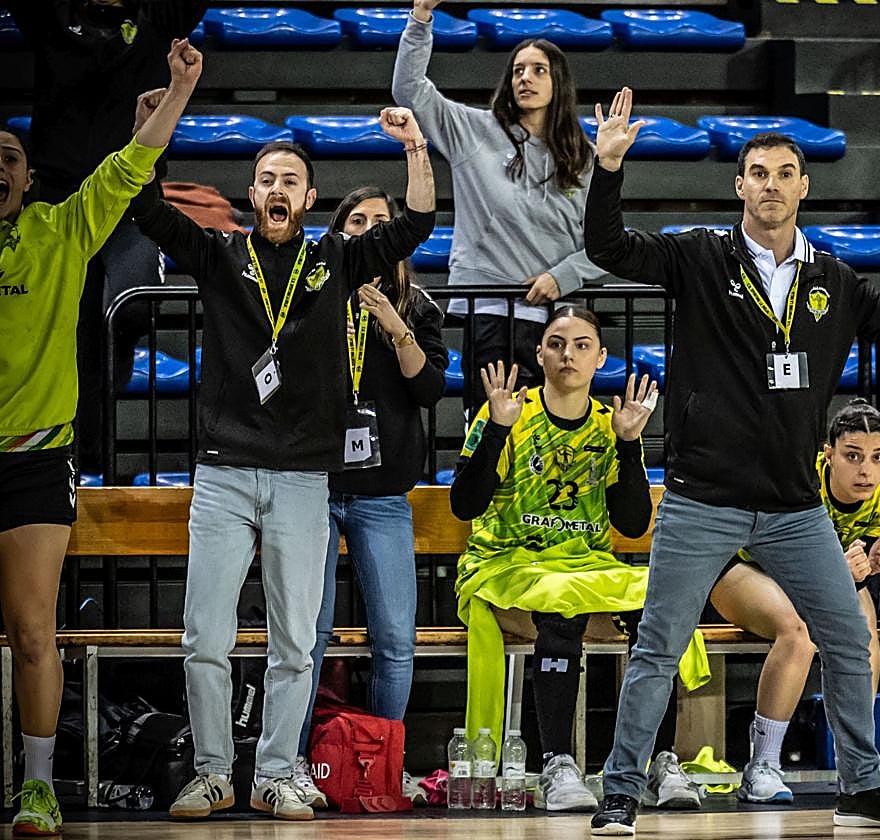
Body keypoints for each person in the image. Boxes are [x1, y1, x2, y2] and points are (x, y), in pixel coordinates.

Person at [584, 87, 880, 834]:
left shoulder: (833, 281)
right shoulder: (697, 257)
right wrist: (609, 167)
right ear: (739, 185)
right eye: (759, 172)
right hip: (700, 498)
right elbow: (608, 248)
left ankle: (860, 788)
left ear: (803, 187)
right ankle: (620, 791)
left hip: (793, 506)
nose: (772, 184)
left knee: (847, 637)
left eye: (785, 173)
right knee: (657, 645)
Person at [129, 109, 436, 821]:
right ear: (251, 191)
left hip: (303, 475)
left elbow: (417, 221)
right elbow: (144, 207)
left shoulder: (336, 257)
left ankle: (274, 773)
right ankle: (211, 773)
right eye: (266, 178)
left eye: (290, 180)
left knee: (296, 640)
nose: (276, 187)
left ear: (307, 198)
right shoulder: (218, 253)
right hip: (225, 470)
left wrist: (417, 147)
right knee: (206, 634)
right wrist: (162, 120)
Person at [0, 37, 200, 836]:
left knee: (31, 632)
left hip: (34, 461)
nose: (0, 167)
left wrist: (177, 98)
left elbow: (123, 173)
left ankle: (40, 787)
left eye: (9, 156)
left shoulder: (58, 233)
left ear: (26, 175)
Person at [450, 306, 709, 812]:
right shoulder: (506, 409)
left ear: (600, 358)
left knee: (659, 604)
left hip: (586, 563)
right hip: (506, 560)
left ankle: (658, 761)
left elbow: (633, 524)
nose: (568, 353)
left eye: (582, 344)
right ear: (540, 353)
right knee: (560, 604)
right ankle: (557, 762)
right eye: (556, 343)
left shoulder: (608, 424)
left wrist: (630, 444)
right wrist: (499, 430)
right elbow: (465, 505)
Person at [292, 187, 449, 808]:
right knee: (309, 635)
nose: (368, 230)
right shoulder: (314, 298)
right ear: (338, 233)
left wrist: (393, 323)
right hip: (316, 489)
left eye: (381, 222)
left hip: (383, 493)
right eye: (356, 221)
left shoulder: (420, 306)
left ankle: (386, 761)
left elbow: (431, 390)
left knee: (395, 639)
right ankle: (296, 765)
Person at [7, 0, 209, 474]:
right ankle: (77, 453)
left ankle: (99, 435)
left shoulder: (159, 13)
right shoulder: (51, 15)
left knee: (130, 305)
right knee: (66, 320)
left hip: (131, 202)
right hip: (58, 201)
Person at [392, 0, 608, 416]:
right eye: (518, 70)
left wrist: (562, 277)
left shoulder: (585, 156)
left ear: (558, 82)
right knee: (493, 437)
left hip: (560, 322)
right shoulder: (473, 130)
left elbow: (606, 245)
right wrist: (420, 17)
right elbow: (409, 91)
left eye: (538, 70)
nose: (525, 78)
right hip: (489, 311)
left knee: (551, 441)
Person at [710, 398, 880, 803]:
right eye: (852, 456)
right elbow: (770, 547)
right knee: (796, 634)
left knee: (861, 639)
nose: (867, 469)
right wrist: (837, 570)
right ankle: (762, 766)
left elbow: (876, 546)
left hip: (828, 575)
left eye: (878, 457)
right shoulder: (797, 477)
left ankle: (858, 770)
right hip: (747, 568)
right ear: (828, 454)